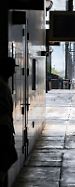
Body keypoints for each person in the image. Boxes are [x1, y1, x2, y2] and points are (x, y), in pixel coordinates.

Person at [0, 57, 17, 187]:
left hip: (6, 129)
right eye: (12, 69)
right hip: (3, 130)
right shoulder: (2, 86)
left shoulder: (3, 85)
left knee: (7, 159)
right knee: (5, 160)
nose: (13, 72)